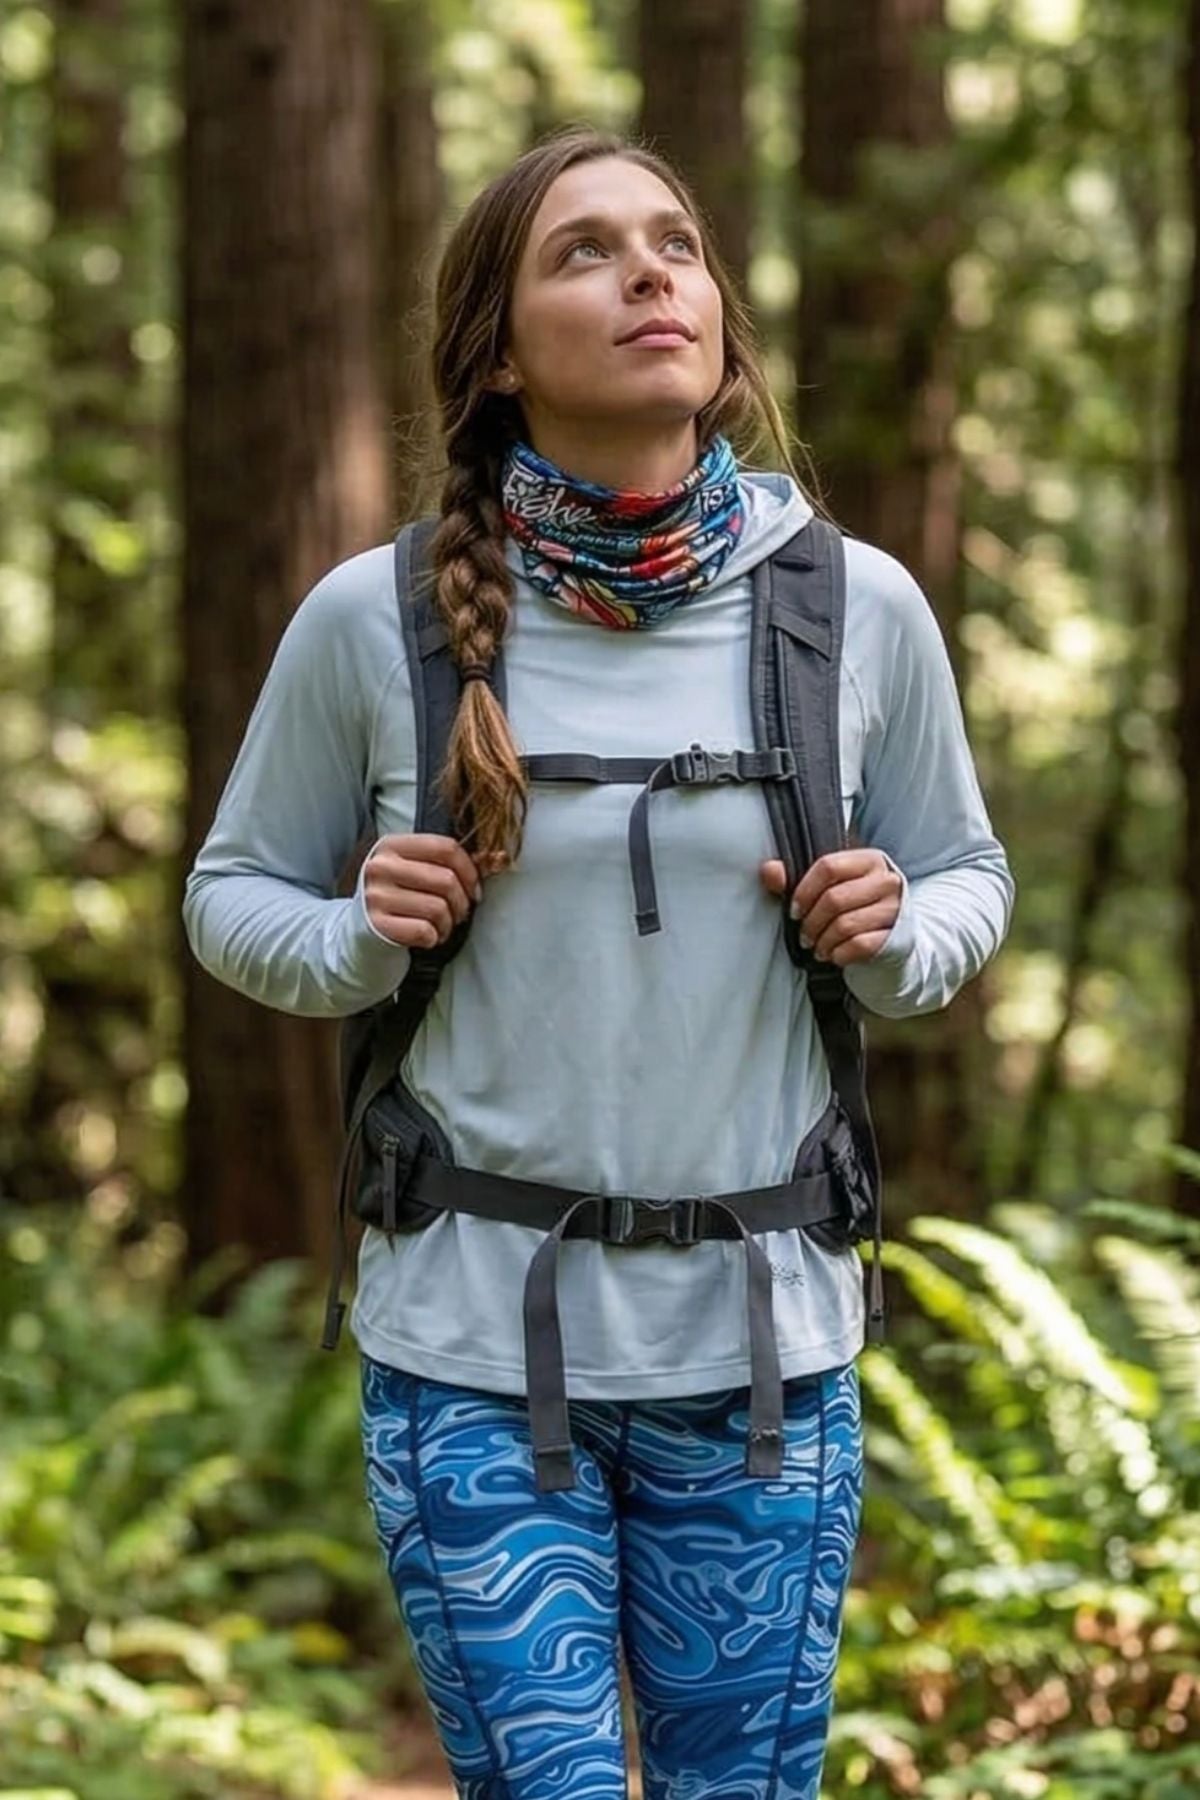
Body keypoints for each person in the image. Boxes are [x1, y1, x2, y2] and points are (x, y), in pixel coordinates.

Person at [183, 124, 1015, 1800]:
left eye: (677, 243)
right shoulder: (379, 619)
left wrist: (898, 933)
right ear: (497, 351)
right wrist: (354, 934)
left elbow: (966, 883)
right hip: (474, 1351)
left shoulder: (855, 609)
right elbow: (229, 895)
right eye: (586, 250)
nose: (651, 273)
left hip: (768, 1358)